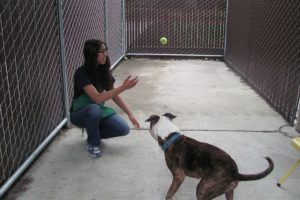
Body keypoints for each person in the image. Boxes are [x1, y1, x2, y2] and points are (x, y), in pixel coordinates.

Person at [70, 39, 140, 158]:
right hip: (80, 113)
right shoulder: (81, 73)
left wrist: (129, 113)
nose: (106, 54)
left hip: (97, 110)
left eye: (106, 51)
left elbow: (114, 95)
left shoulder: (103, 71)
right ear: (92, 53)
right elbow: (97, 98)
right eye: (102, 51)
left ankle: (93, 133)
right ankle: (93, 144)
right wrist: (123, 87)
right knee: (94, 109)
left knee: (123, 129)